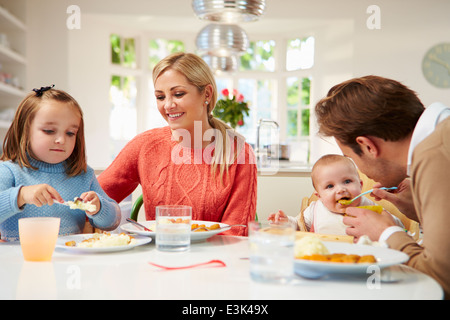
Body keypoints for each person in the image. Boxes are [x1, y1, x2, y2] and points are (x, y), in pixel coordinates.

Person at [315, 75, 450, 299]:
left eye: (349, 157)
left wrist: (386, 232)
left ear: (367, 146)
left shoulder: (434, 155)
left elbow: (440, 282)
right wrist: (421, 210)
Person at [98, 53, 257, 236]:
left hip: (214, 261)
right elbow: (93, 198)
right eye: (160, 97)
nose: (168, 105)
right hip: (156, 257)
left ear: (206, 94)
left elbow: (235, 234)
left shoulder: (240, 153)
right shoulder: (145, 146)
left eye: (178, 94)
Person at [0, 85, 121, 241]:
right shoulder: (8, 171)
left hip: (70, 261)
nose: (61, 140)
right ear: (25, 130)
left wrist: (99, 208)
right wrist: (20, 195)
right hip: (18, 261)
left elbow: (113, 221)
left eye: (70, 133)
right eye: (49, 131)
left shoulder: (83, 175)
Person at [268, 154, 403, 234]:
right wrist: (285, 222)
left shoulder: (370, 208)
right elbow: (298, 225)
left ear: (360, 185)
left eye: (347, 181)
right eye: (330, 186)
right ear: (319, 196)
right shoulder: (314, 210)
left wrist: (391, 224)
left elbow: (394, 227)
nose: (340, 190)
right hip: (321, 259)